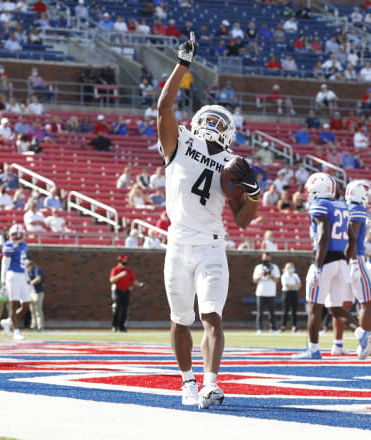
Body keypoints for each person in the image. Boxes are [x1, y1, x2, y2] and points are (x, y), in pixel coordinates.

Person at [157, 32, 259, 409]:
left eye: (221, 121)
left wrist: (253, 193)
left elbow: (245, 220)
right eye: (210, 119)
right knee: (180, 318)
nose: (214, 125)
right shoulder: (180, 142)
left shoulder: (232, 164)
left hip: (212, 245)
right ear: (199, 121)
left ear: (230, 132)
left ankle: (210, 384)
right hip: (178, 242)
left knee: (212, 315)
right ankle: (187, 381)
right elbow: (162, 108)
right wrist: (182, 66)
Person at [292, 173, 368, 360]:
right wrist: (350, 262)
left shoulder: (320, 205)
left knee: (314, 307)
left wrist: (317, 266)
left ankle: (313, 349)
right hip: (341, 261)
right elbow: (352, 238)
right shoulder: (341, 205)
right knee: (334, 308)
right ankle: (362, 333)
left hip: (325, 260)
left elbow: (324, 237)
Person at [341, 180, 371, 358]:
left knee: (343, 304)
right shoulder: (357, 210)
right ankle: (364, 343)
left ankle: (337, 343)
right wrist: (350, 261)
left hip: (345, 260)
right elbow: (352, 238)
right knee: (368, 302)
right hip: (355, 260)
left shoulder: (343, 208)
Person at [0, 224, 30, 341]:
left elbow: (24, 263)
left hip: (22, 275)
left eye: (18, 235)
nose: (16, 237)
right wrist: (3, 282)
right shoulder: (9, 245)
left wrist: (27, 278)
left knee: (26, 305)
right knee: (14, 304)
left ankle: (8, 322)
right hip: (12, 276)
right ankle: (16, 331)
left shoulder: (24, 245)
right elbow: (4, 265)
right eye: (14, 235)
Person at [109, 255, 146, 332]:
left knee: (124, 309)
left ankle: (122, 326)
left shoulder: (128, 270)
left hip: (126, 291)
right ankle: (115, 325)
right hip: (117, 291)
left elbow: (133, 281)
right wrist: (120, 275)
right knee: (117, 307)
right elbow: (112, 280)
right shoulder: (115, 269)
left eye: (126, 261)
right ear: (119, 261)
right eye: (123, 261)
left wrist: (140, 285)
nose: (125, 262)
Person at [252, 253, 280, 334]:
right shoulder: (258, 267)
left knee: (272, 312)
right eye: (264, 258)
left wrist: (270, 275)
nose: (266, 260)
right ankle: (259, 329)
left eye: (267, 258)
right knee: (260, 312)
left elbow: (277, 280)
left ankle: (273, 329)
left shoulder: (274, 267)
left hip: (271, 293)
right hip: (260, 293)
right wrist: (261, 275)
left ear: (270, 258)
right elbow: (254, 280)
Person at [280, 262, 301, 333]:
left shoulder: (295, 275)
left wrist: (293, 286)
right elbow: (287, 286)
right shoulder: (284, 276)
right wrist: (294, 286)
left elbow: (299, 285)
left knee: (294, 311)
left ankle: (294, 327)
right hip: (286, 294)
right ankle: (283, 326)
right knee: (285, 311)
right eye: (290, 267)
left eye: (293, 267)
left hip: (294, 293)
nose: (292, 269)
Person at [26, 260, 45, 331]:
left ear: (31, 265)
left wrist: (30, 283)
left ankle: (40, 326)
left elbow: (38, 279)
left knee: (38, 310)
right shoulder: (28, 271)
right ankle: (33, 325)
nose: (27, 267)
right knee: (32, 310)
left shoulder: (37, 269)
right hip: (31, 293)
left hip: (38, 292)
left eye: (27, 266)